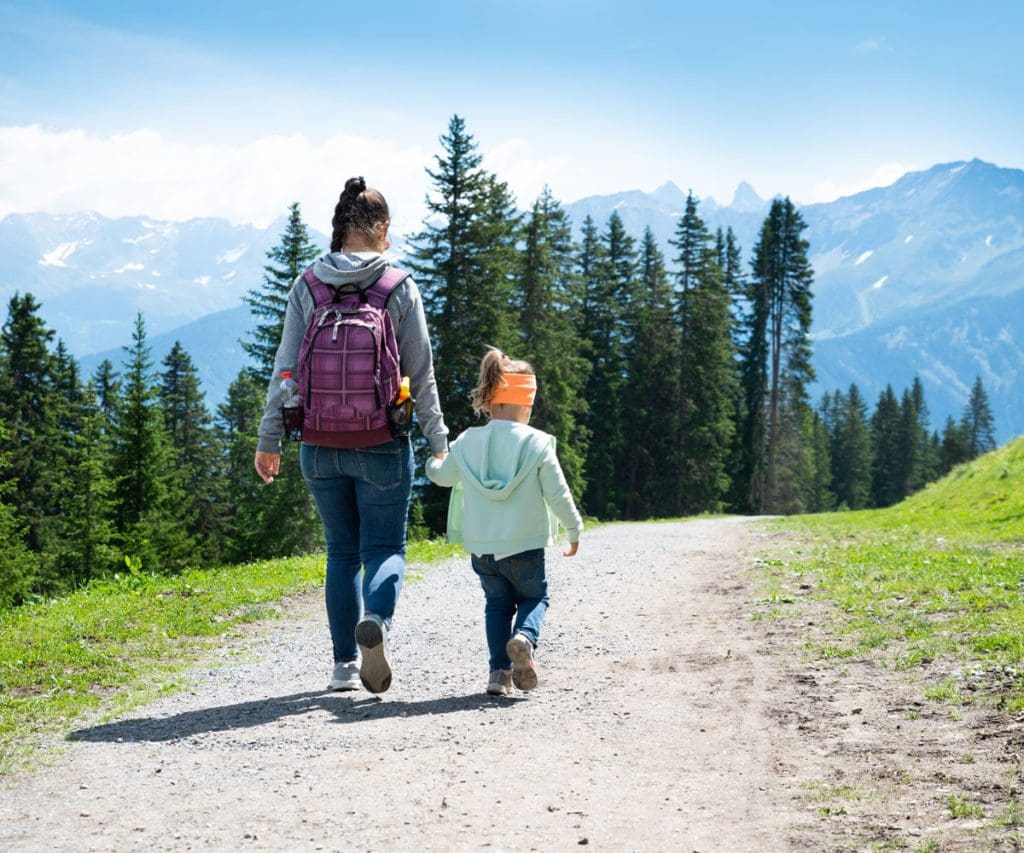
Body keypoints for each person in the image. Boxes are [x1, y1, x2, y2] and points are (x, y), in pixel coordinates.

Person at [254, 177, 448, 694]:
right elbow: (421, 373)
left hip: (318, 443)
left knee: (341, 552)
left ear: (340, 228)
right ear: (381, 229)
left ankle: (343, 664)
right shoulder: (398, 287)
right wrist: (438, 441)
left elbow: (285, 371)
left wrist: (268, 439)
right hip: (382, 440)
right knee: (383, 545)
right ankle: (376, 623)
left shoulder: (307, 285)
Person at [425, 348, 582, 696]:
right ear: (526, 404)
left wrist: (432, 463)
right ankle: (524, 638)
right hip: (526, 544)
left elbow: (444, 476)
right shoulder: (538, 443)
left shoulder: (467, 441)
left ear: (490, 398)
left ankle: (498, 674)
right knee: (535, 598)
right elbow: (558, 493)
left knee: (496, 605)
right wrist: (573, 529)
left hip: (483, 547)